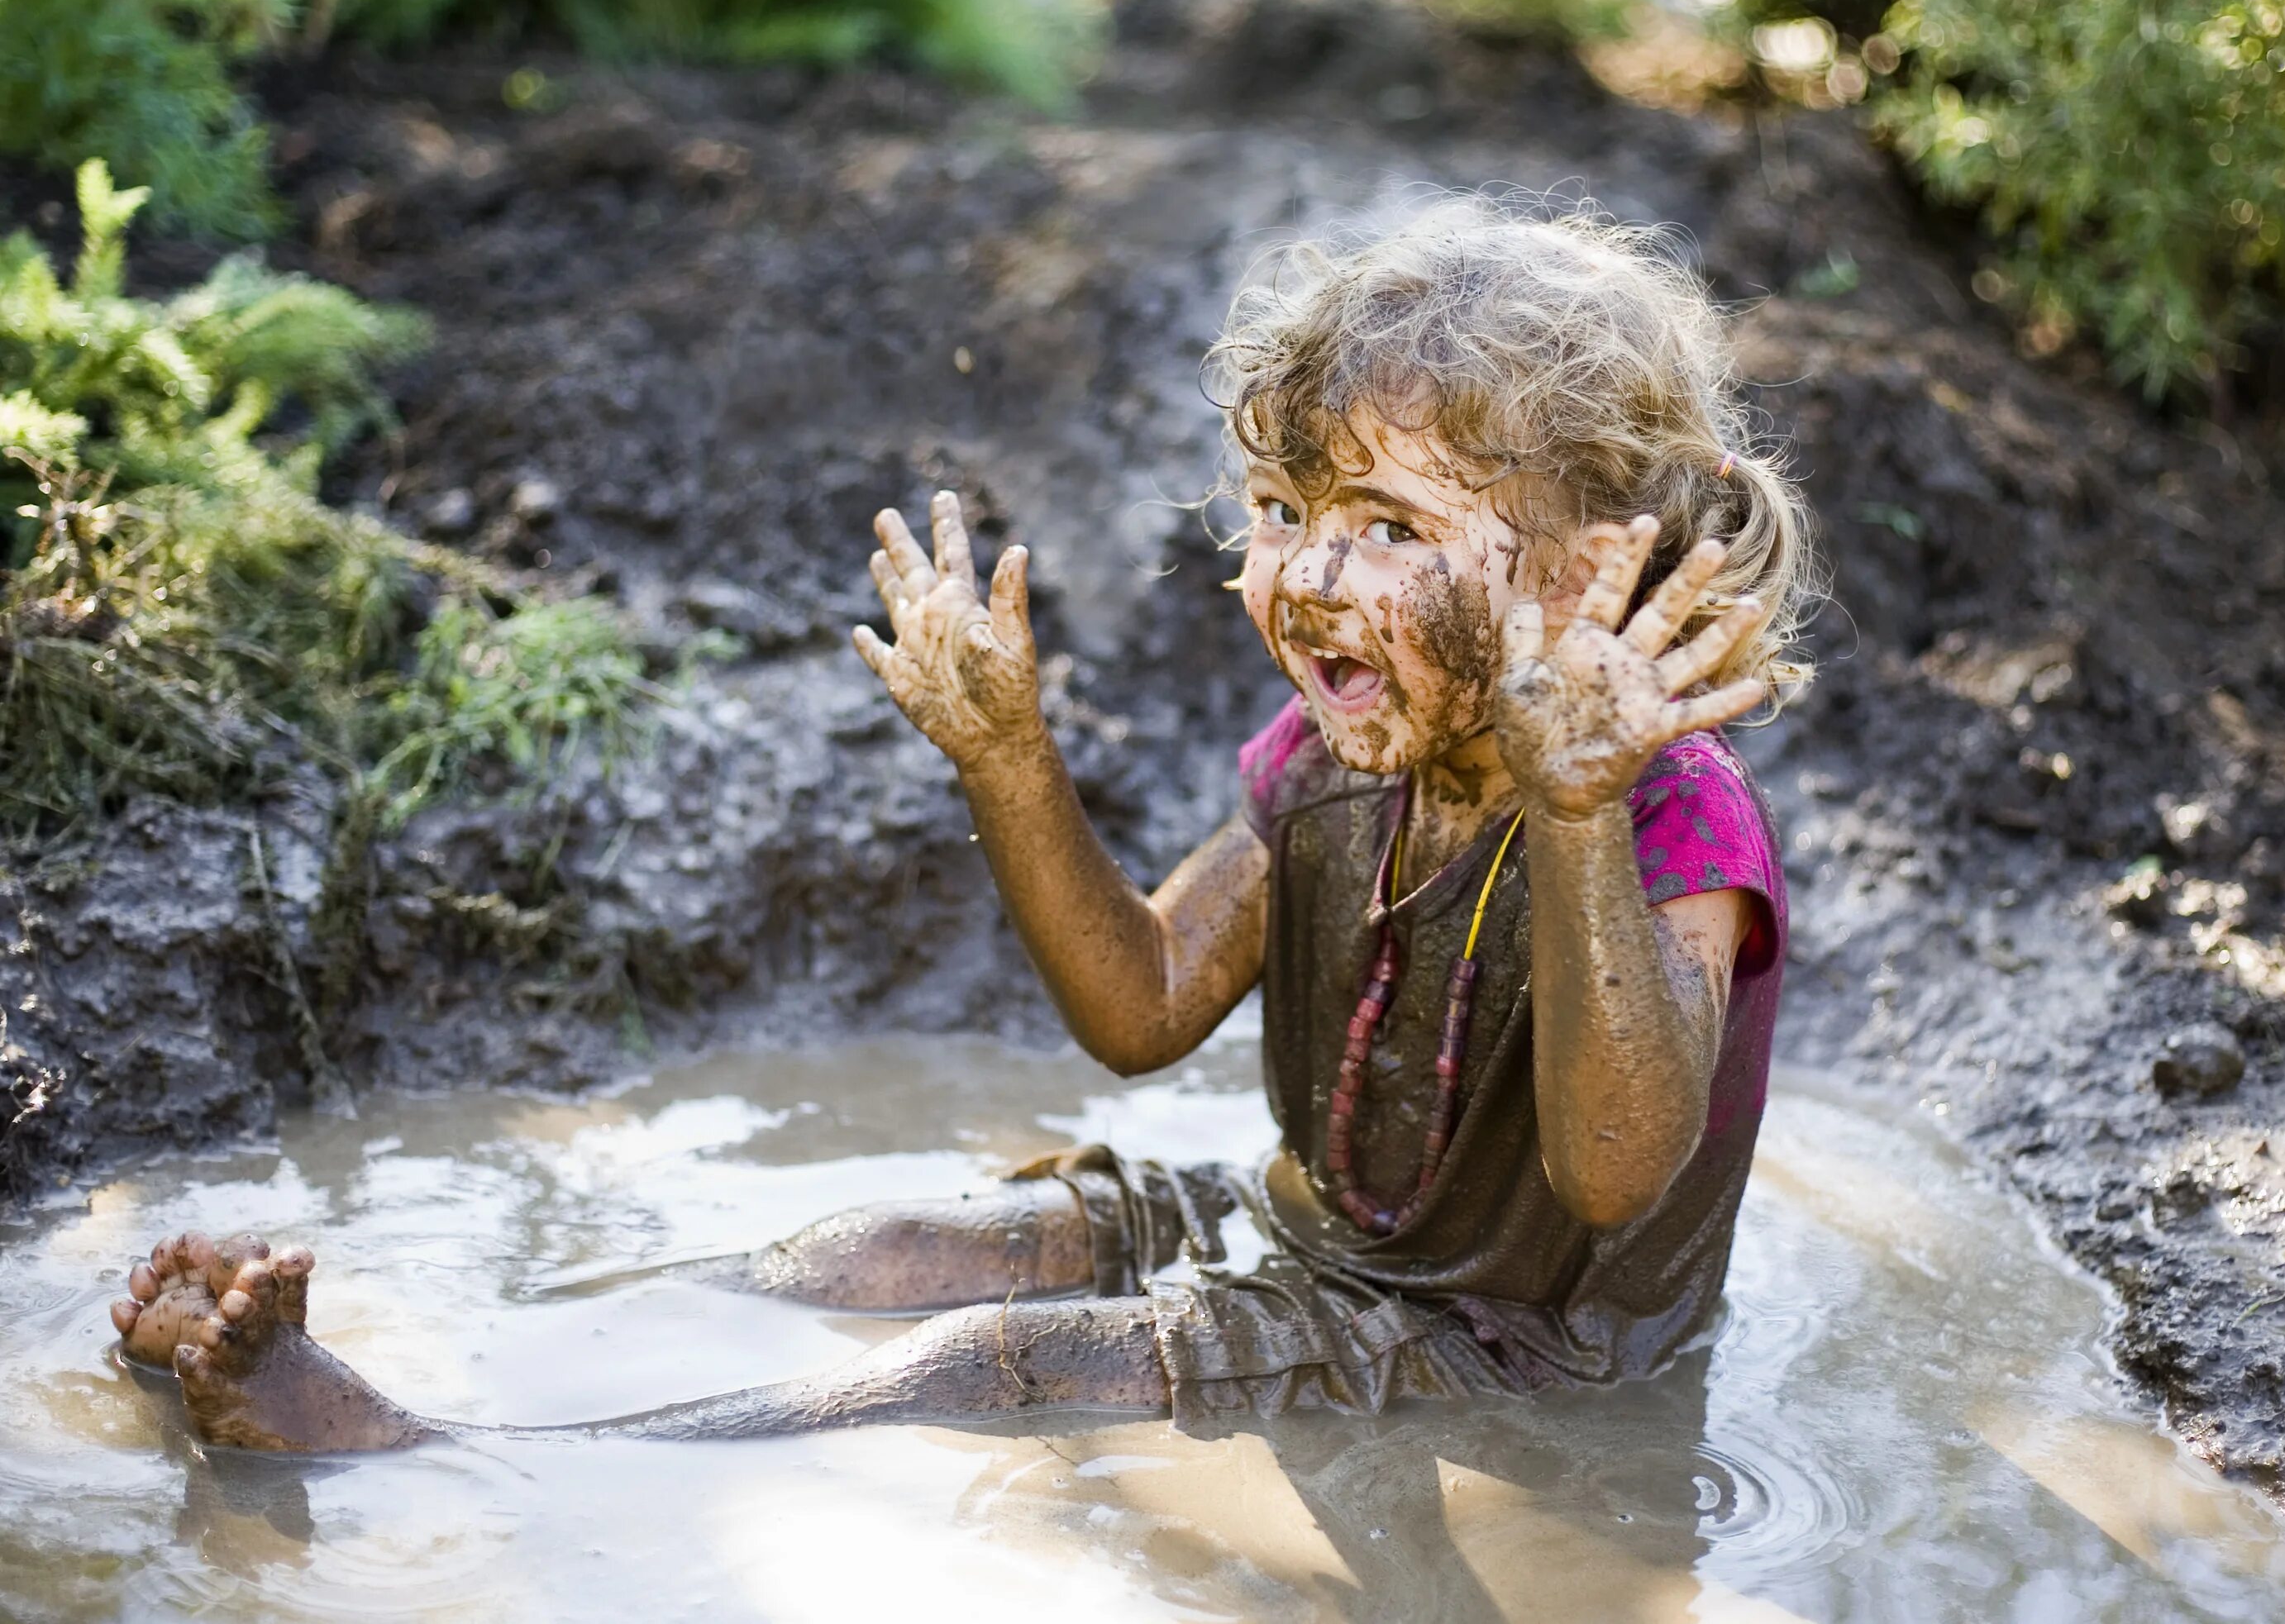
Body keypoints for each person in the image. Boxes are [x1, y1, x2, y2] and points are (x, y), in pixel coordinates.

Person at [107, 198, 1817, 1450]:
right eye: (1286, 509)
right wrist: (1011, 761)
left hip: (1513, 1354)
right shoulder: (1337, 758)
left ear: (1589, 574)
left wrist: (1579, 806)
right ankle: (451, 1342)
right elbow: (1142, 1010)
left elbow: (1609, 1172)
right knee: (888, 1247)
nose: (1304, 571)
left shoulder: (1674, 824)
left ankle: (420, 1450)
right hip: (1308, 1232)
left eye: (1382, 522)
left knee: (985, 1358)